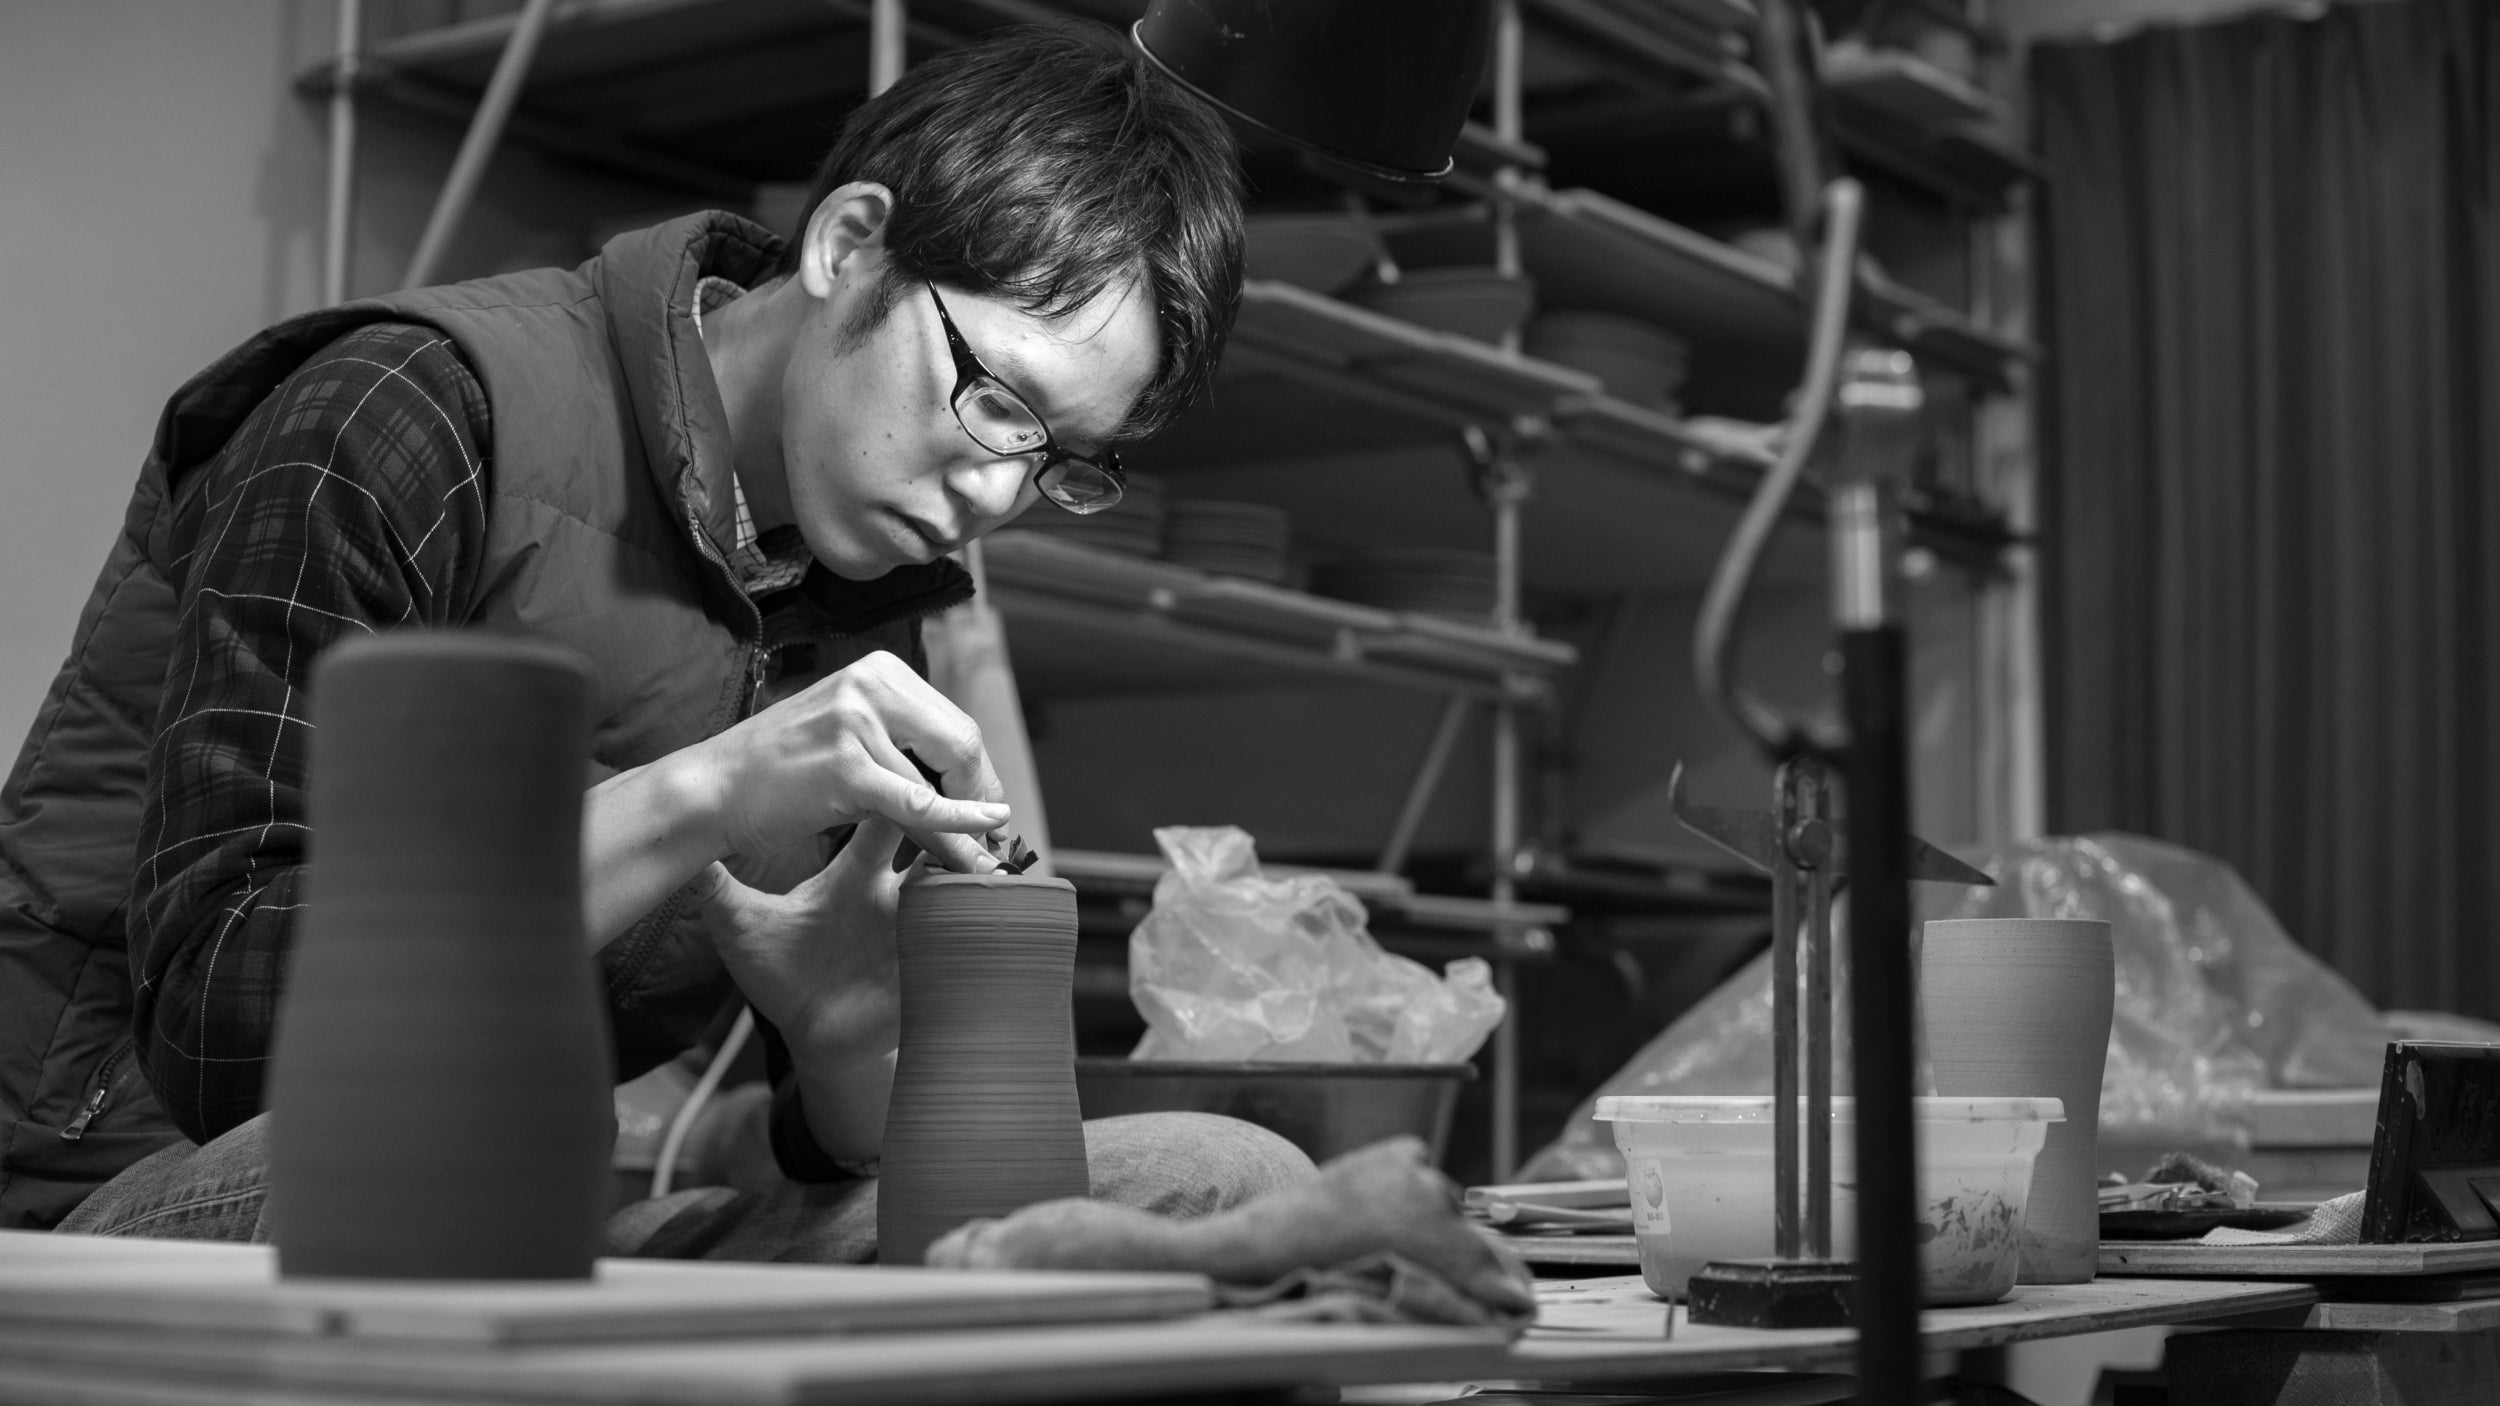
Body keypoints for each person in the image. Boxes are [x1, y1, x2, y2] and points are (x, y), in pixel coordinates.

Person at [0, 23, 1313, 1252]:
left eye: (1062, 461)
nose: (994, 494)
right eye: (992, 399)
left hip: (536, 1211)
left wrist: (846, 1036)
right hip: (131, 1197)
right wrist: (695, 799)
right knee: (495, 1125)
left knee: (1220, 1177)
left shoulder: (861, 603)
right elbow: (223, 1035)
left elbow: (835, 1144)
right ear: (852, 245)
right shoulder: (404, 418)